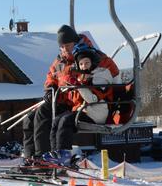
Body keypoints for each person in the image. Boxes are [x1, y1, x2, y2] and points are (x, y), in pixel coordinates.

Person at [27, 25, 118, 162]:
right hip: (65, 99)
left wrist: (82, 81)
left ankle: (44, 157)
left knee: (47, 115)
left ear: (75, 42)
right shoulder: (61, 60)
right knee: (29, 119)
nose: (65, 50)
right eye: (62, 47)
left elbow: (108, 75)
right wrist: (49, 87)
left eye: (67, 45)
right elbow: (51, 74)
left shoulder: (89, 57)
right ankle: (32, 157)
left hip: (80, 103)